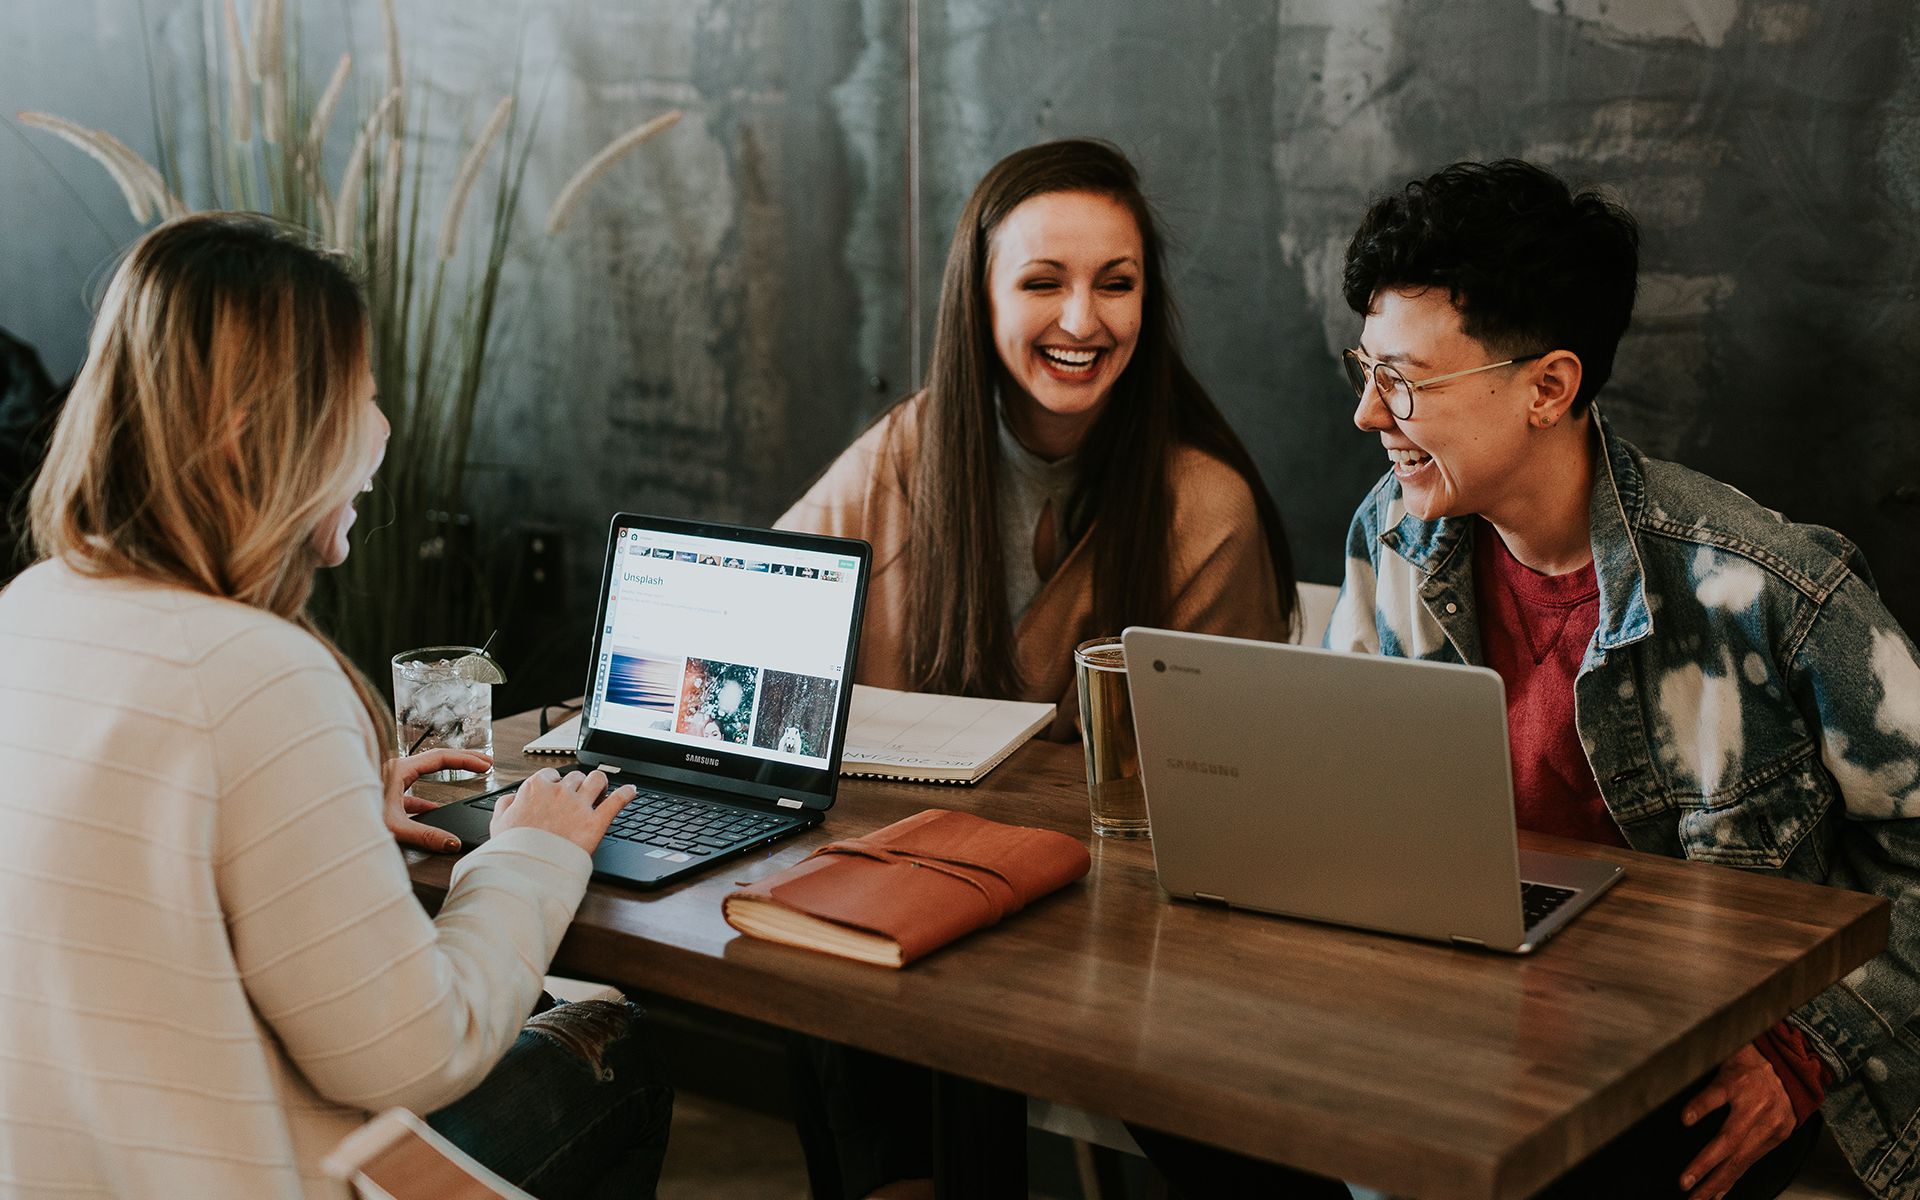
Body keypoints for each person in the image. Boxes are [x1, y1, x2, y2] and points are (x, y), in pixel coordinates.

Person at [0, 213, 671, 1198]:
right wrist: (534, 852)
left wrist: (337, 806)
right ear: (256, 434)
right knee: (622, 1044)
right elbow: (413, 1053)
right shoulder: (257, 671)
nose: (384, 430)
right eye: (359, 396)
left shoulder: (37, 605)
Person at [1327, 160, 1920, 1200]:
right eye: (1365, 369)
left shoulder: (1766, 587)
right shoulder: (1391, 535)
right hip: (1464, 1024)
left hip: (1692, 1058)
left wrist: (1807, 1048)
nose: (1372, 415)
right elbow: (1347, 796)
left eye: (1408, 380)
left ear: (1549, 388)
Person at [779, 138, 1297, 740]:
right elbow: (750, 620)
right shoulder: (900, 454)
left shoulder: (1208, 509)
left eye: (1116, 284)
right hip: (883, 833)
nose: (1081, 322)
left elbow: (1231, 764)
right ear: (981, 298)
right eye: (1042, 284)